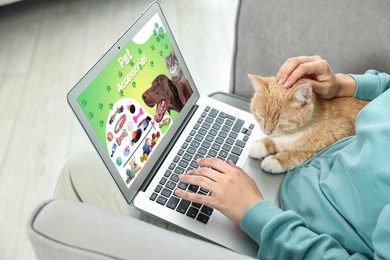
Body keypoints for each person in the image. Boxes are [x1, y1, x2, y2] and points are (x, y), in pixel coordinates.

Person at [55, 56, 390, 259]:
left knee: (78, 173)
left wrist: (254, 213)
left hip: (286, 232)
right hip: (298, 167)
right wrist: (343, 85)